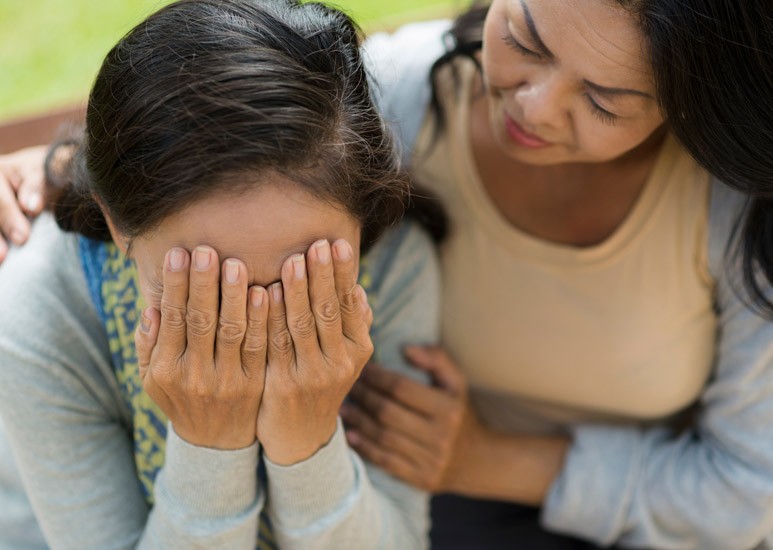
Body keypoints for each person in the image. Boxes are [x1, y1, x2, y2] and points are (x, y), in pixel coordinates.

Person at [2, 0, 772, 549]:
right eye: (525, 40)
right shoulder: (391, 98)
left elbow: (748, 493)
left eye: (604, 100)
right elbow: (221, 109)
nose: (534, 107)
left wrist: (316, 442)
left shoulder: (388, 251)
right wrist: (66, 171)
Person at [0, 0, 439, 548]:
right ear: (118, 226)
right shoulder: (39, 311)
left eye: (300, 281)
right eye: (203, 288)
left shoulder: (397, 266)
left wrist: (307, 440)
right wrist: (211, 444)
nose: (246, 328)